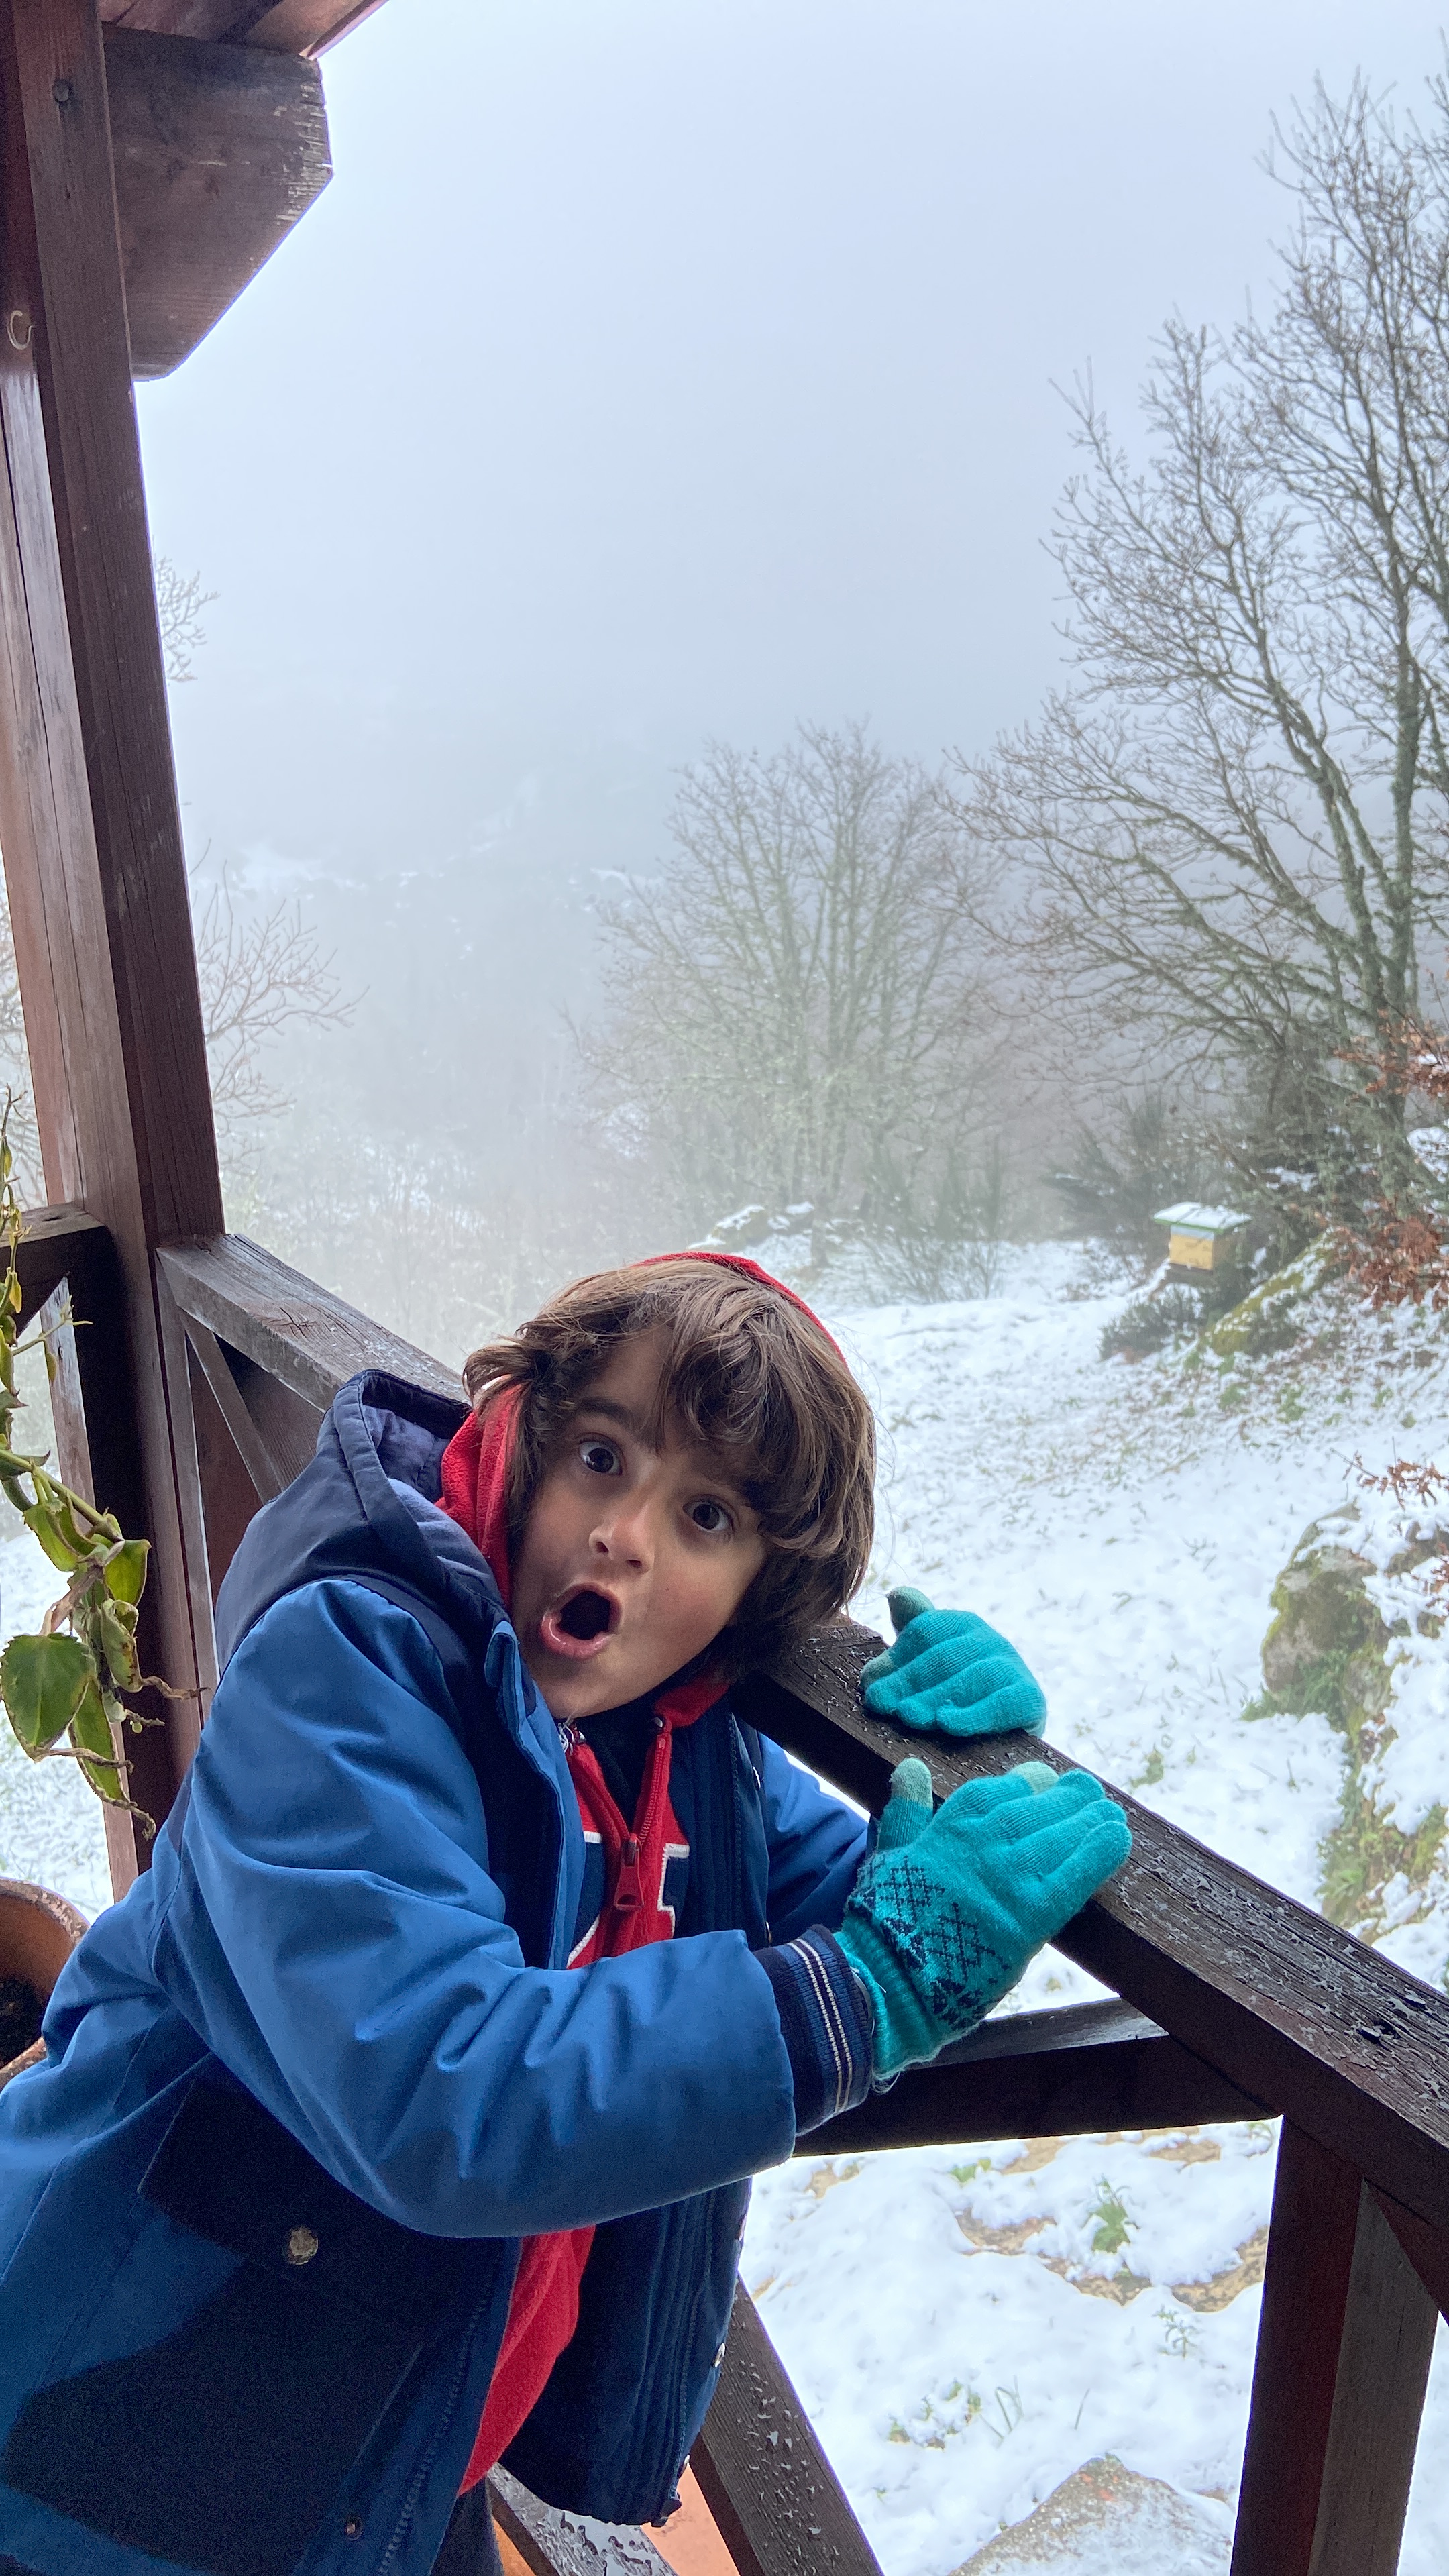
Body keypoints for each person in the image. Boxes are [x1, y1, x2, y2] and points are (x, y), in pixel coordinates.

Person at [0, 1254, 1130, 2576]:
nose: (627, 1534)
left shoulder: (680, 1741)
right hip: (117, 2412)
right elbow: (439, 2088)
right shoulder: (345, 1667)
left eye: (707, 1516)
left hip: (384, 2430)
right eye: (602, 1456)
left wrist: (950, 1768)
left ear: (765, 1590)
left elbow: (840, 1920)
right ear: (523, 1433)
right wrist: (877, 1979)